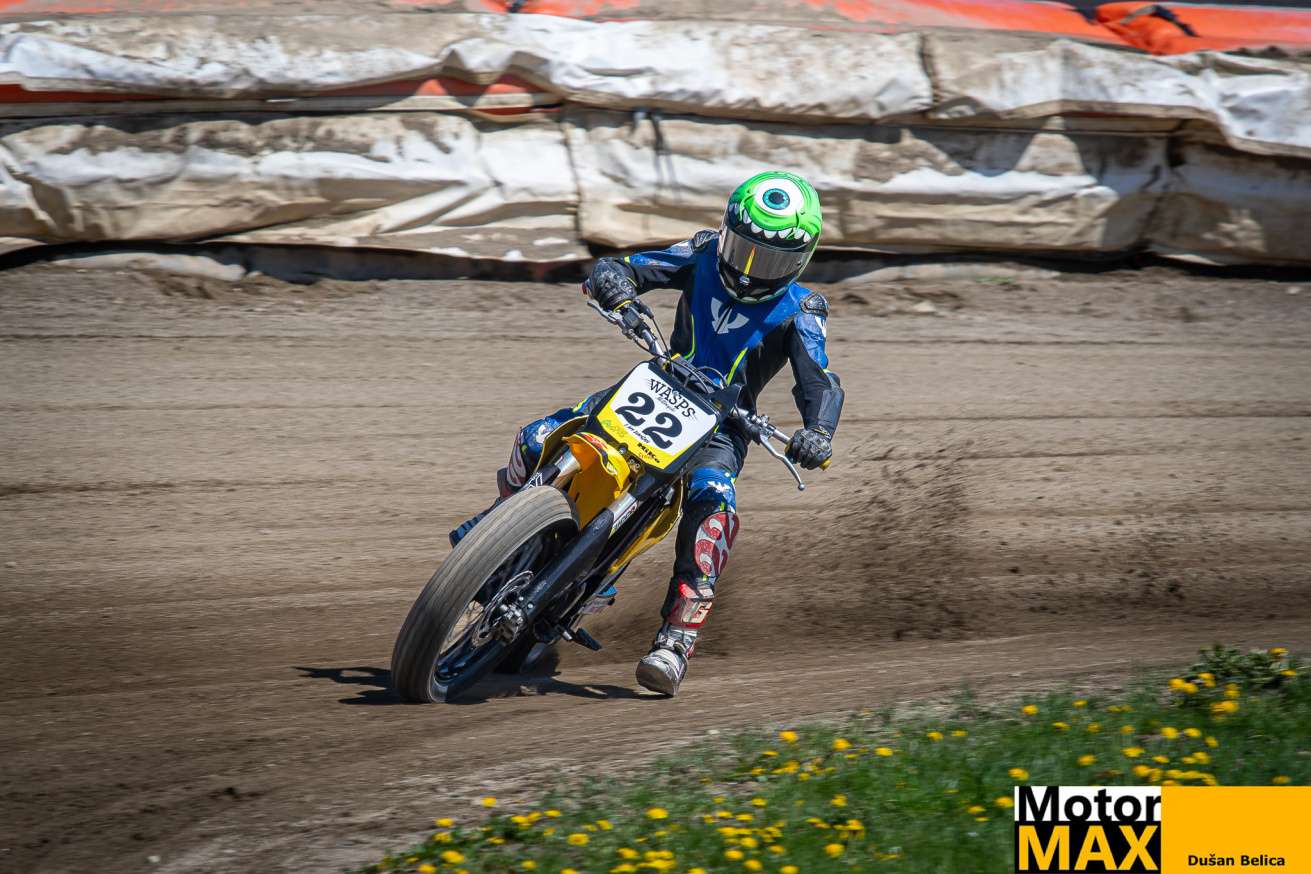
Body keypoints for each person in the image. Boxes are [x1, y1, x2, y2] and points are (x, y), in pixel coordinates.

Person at [451, 170, 844, 696]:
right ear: (725, 232)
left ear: (799, 261)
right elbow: (626, 267)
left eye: (768, 260)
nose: (749, 268)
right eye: (742, 248)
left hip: (722, 428)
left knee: (713, 507)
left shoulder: (803, 311)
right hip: (655, 384)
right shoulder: (702, 254)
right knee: (535, 437)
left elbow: (821, 382)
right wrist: (615, 283)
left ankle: (676, 640)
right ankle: (497, 527)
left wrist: (818, 431)